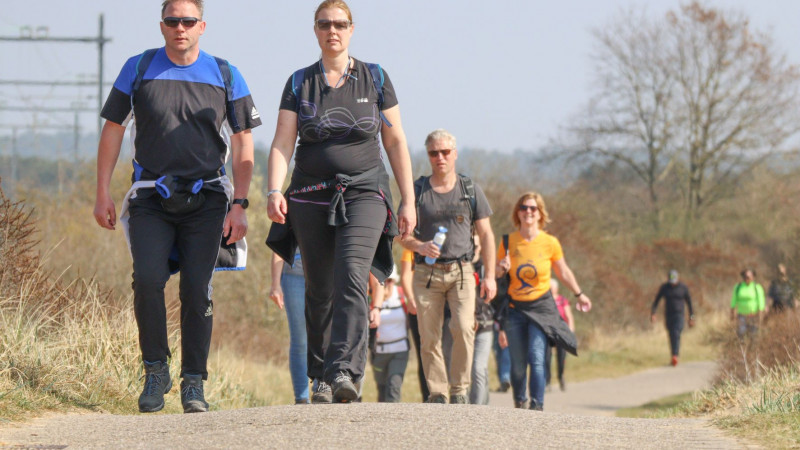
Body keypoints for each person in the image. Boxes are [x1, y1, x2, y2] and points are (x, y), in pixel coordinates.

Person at [93, 0, 261, 413]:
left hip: (208, 199)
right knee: (148, 279)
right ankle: (155, 370)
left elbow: (242, 142)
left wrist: (240, 203)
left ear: (202, 26)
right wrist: (102, 191)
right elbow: (113, 130)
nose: (180, 28)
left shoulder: (226, 74)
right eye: (172, 21)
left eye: (188, 21)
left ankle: (193, 382)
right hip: (151, 196)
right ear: (162, 25)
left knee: (195, 289)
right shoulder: (138, 68)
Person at [266, 0, 415, 404]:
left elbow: (395, 140)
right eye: (324, 24)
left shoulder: (376, 78)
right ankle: (319, 377)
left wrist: (408, 200)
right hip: (311, 195)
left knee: (352, 271)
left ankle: (344, 372)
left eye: (340, 24)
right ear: (315, 30)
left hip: (366, 190)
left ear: (352, 29)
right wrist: (274, 189)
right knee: (318, 287)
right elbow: (283, 141)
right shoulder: (299, 82)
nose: (333, 30)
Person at [400, 128, 497, 404]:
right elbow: (399, 234)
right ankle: (438, 391)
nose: (440, 158)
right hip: (426, 272)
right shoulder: (416, 191)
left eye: (445, 152)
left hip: (462, 272)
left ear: (455, 154)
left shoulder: (470, 190)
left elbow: (487, 235)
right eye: (434, 153)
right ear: (428, 156)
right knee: (428, 335)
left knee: (464, 328)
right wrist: (418, 246)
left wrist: (489, 276)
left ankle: (459, 390)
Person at [496, 192, 592, 411]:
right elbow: (496, 274)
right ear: (517, 213)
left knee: (537, 359)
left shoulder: (550, 242)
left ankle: (537, 408)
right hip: (515, 310)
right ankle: (520, 402)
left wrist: (579, 293)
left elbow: (563, 271)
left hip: (541, 308)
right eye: (523, 208)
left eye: (533, 208)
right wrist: (501, 268)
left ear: (540, 213)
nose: (528, 212)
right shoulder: (507, 242)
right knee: (518, 365)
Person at [269, 250, 309, 404]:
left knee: (323, 336)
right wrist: (275, 284)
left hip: (324, 274)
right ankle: (302, 397)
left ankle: (322, 391)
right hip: (294, 277)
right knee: (300, 340)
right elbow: (278, 246)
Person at [369, 265, 410, 402]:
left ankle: (394, 420)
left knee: (393, 387)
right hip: (379, 353)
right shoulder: (371, 297)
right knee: (381, 389)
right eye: (383, 280)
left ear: (395, 280)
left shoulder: (402, 295)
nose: (386, 284)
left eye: (390, 280)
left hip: (400, 351)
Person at [400, 247, 429, 402]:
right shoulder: (410, 250)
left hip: (436, 307)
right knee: (423, 354)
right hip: (416, 309)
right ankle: (428, 397)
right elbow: (405, 276)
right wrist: (411, 299)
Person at [650, 269, 694, 367]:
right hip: (669, 315)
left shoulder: (683, 288)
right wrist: (653, 313)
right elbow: (656, 301)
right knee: (671, 334)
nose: (673, 284)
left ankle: (675, 356)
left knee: (676, 332)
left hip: (679, 315)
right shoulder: (665, 288)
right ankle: (673, 355)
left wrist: (691, 317)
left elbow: (690, 303)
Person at [470, 234, 494, 405]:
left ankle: (477, 411)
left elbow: (500, 300)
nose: (474, 250)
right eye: (470, 245)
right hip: (461, 325)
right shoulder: (457, 266)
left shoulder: (487, 271)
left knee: (478, 368)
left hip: (485, 325)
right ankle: (482, 407)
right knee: (470, 371)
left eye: (477, 246)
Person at [545, 279, 574, 390]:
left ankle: (561, 376)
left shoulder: (562, 300)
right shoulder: (545, 301)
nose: (550, 290)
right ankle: (547, 381)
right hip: (548, 331)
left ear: (556, 289)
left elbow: (569, 316)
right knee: (546, 357)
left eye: (552, 288)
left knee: (561, 357)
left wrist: (570, 331)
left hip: (561, 331)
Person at [731, 268, 766, 339]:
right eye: (745, 277)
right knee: (741, 333)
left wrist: (761, 314)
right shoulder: (738, 287)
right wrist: (732, 313)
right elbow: (733, 301)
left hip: (753, 315)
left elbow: (761, 302)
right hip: (741, 316)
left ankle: (752, 349)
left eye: (748, 277)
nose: (747, 278)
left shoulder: (757, 287)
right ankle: (742, 349)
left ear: (753, 277)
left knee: (753, 335)